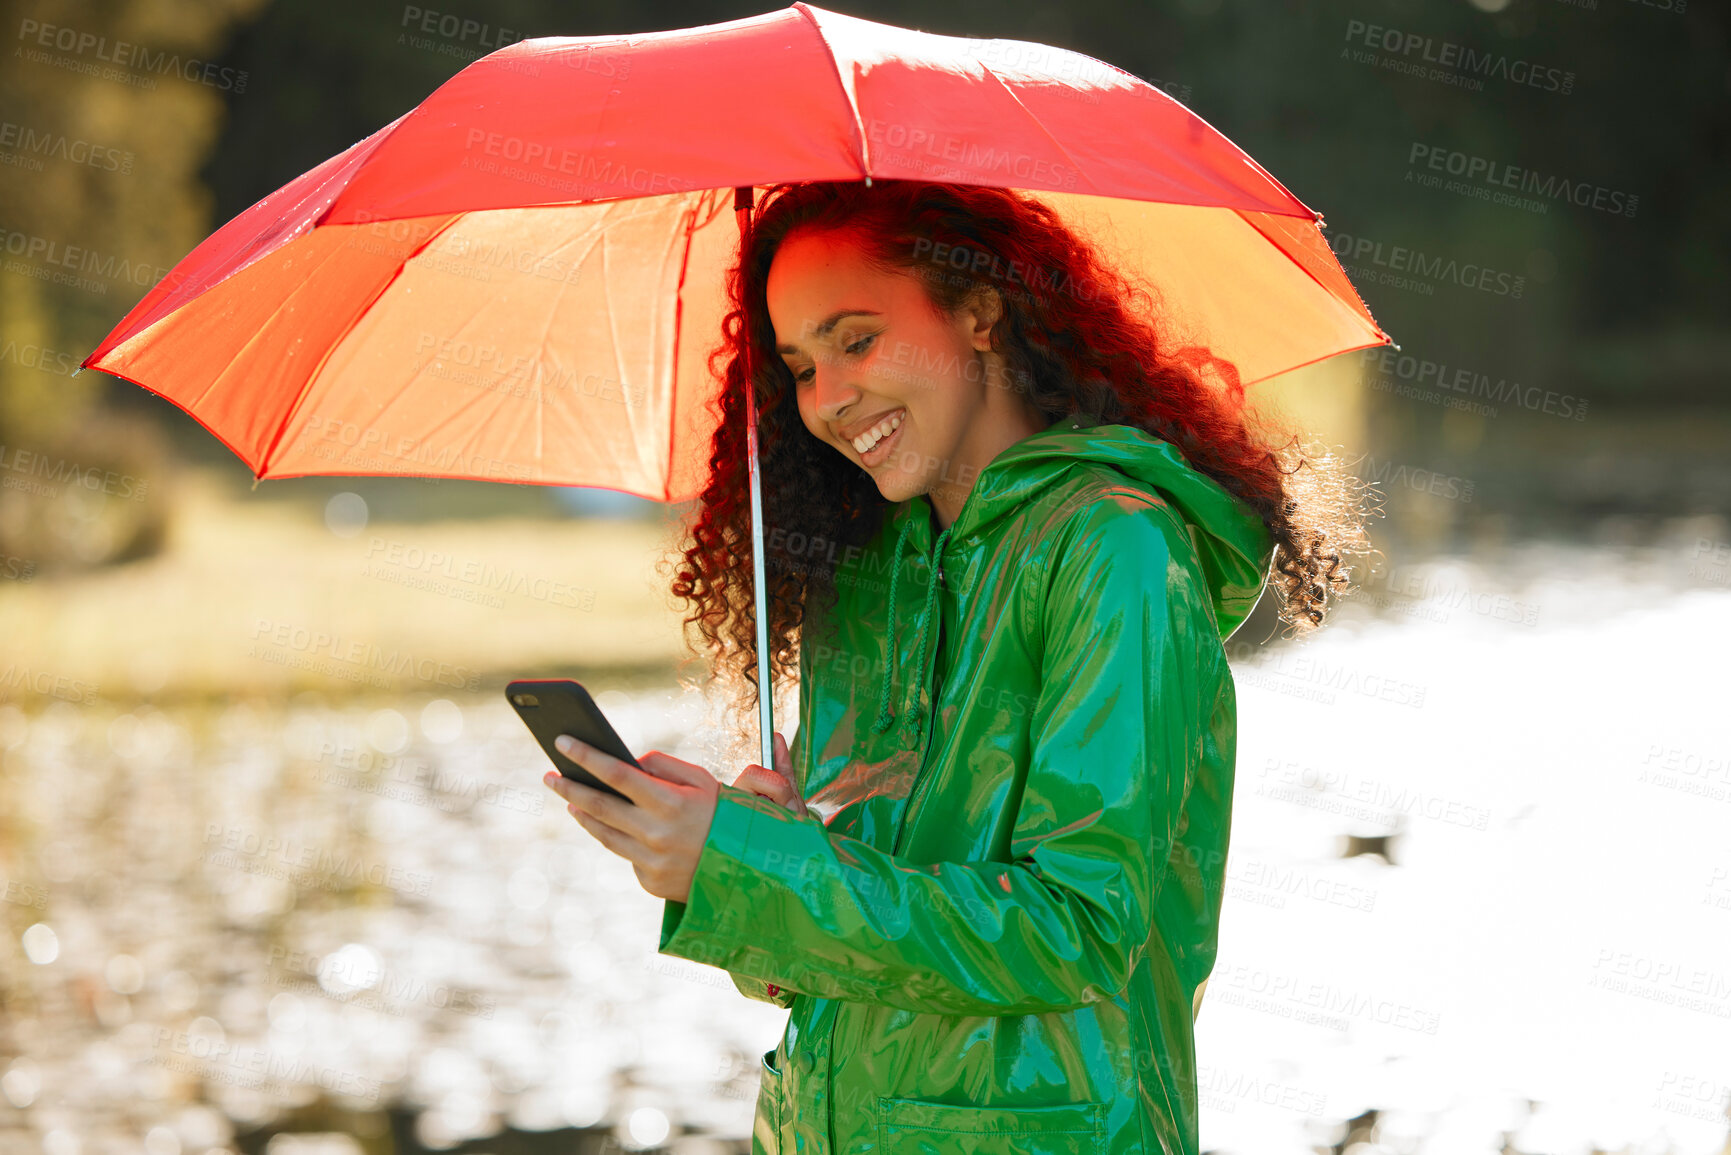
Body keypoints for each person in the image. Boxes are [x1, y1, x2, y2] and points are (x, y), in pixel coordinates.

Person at [541, 180, 1370, 1155]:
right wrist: (742, 855)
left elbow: (1078, 933)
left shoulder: (1116, 553)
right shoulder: (865, 574)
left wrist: (759, 867)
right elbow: (830, 963)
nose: (828, 399)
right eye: (800, 365)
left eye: (857, 340)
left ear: (979, 313)